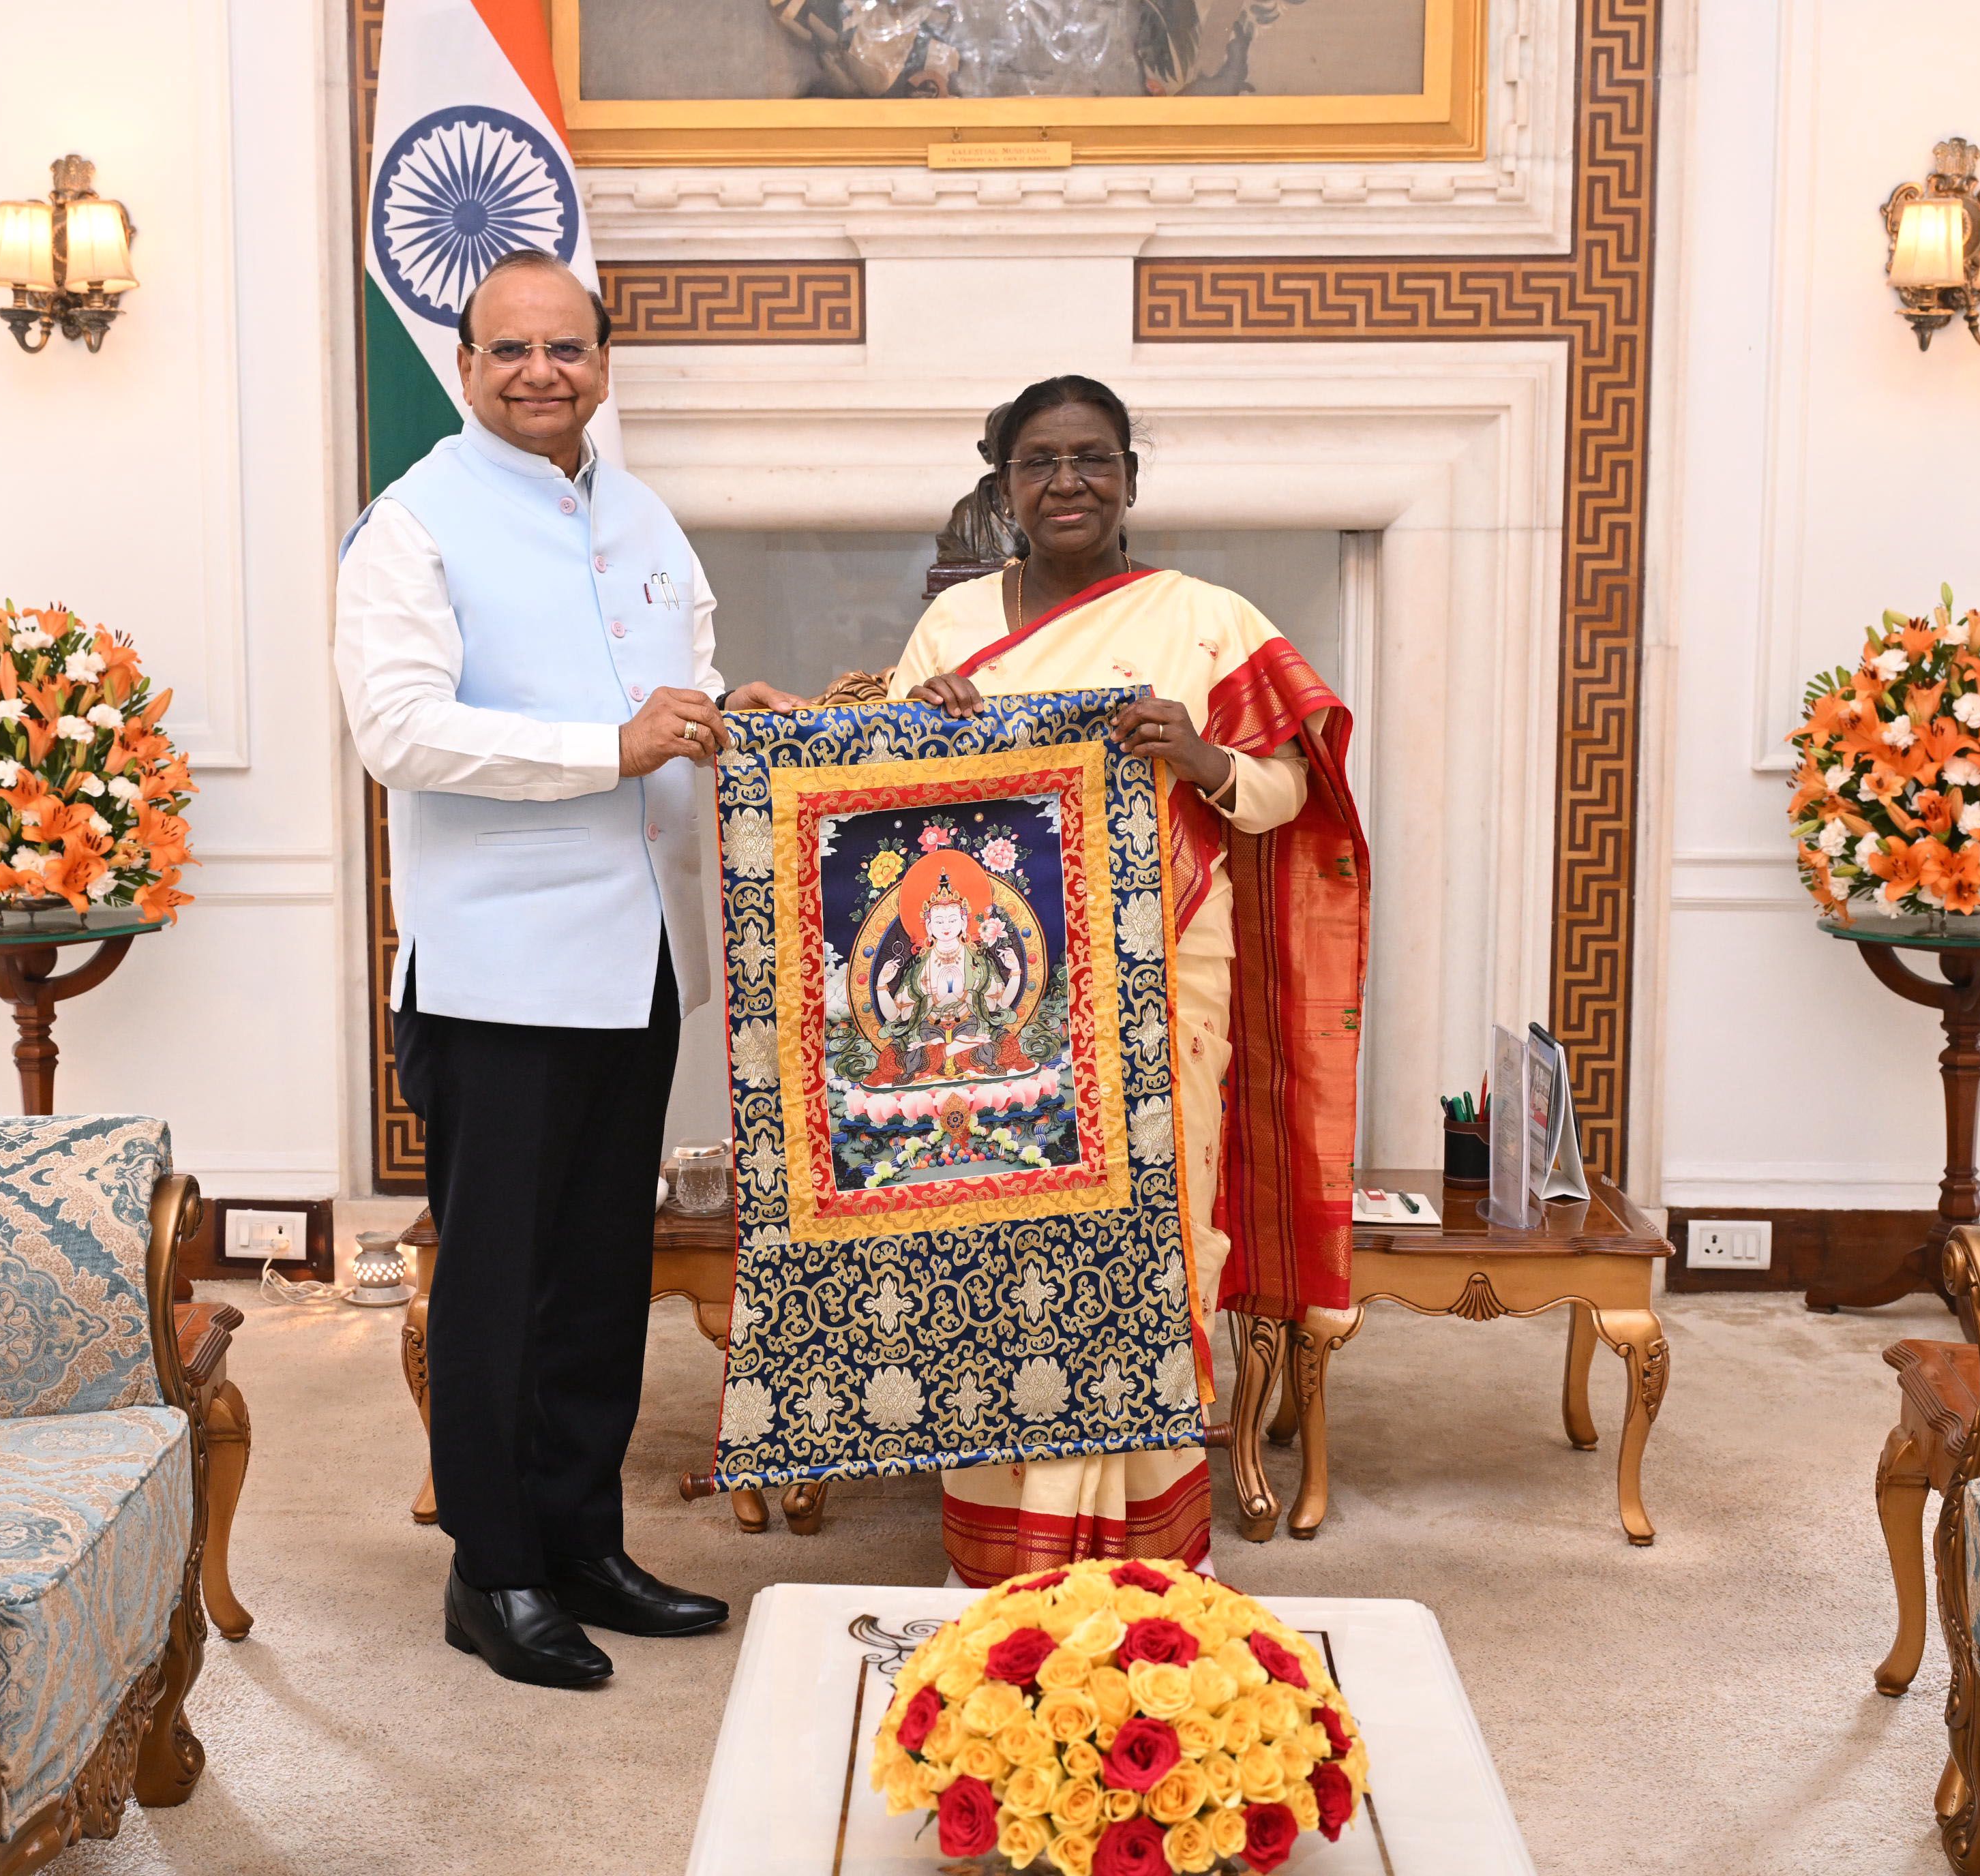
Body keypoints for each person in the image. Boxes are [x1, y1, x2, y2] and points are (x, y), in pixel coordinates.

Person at [334, 248, 804, 1686]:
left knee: (602, 1273)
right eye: (511, 350)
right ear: (466, 365)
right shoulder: (411, 525)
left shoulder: (642, 512)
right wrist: (611, 747)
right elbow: (397, 730)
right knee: (500, 1285)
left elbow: (673, 689)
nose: (542, 371)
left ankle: (584, 1539)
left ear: (603, 361)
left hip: (641, 950)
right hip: (501, 969)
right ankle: (495, 1571)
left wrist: (730, 713)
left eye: (568, 348)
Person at [888, 374, 1370, 1586]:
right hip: (1002, 1006)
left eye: (1093, 459)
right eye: (1040, 462)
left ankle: (1148, 1545)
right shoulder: (954, 625)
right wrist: (926, 723)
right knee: (997, 1248)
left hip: (1164, 988)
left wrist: (1203, 757)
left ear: (1130, 479)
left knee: (1158, 1244)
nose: (1068, 482)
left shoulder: (1205, 621)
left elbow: (1290, 793)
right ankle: (1002, 1548)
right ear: (1005, 486)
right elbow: (883, 816)